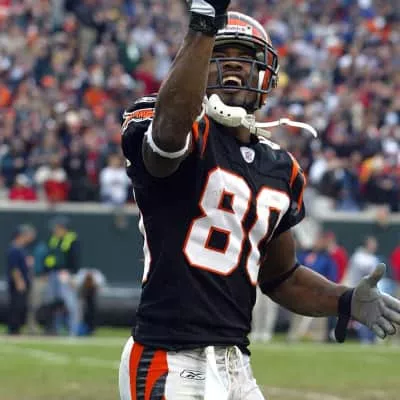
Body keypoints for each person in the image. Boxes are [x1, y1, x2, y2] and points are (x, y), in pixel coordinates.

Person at [118, 3, 400, 399]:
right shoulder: (173, 124)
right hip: (170, 355)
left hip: (237, 363)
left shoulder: (280, 167)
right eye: (220, 55)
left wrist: (345, 299)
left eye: (245, 56)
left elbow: (281, 276)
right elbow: (166, 140)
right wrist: (204, 26)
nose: (233, 65)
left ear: (266, 75)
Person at [44, 215, 81, 335]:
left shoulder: (72, 239)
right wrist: (48, 270)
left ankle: (73, 330)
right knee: (54, 302)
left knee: (70, 302)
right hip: (54, 273)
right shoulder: (54, 239)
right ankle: (56, 329)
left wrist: (73, 275)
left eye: (57, 227)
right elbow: (50, 257)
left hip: (66, 273)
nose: (55, 230)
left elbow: (75, 258)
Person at [6, 224, 36, 335]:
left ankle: (16, 328)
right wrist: (19, 281)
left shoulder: (22, 249)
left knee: (21, 306)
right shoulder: (14, 249)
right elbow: (14, 268)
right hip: (18, 283)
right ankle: (13, 329)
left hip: (23, 281)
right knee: (16, 306)